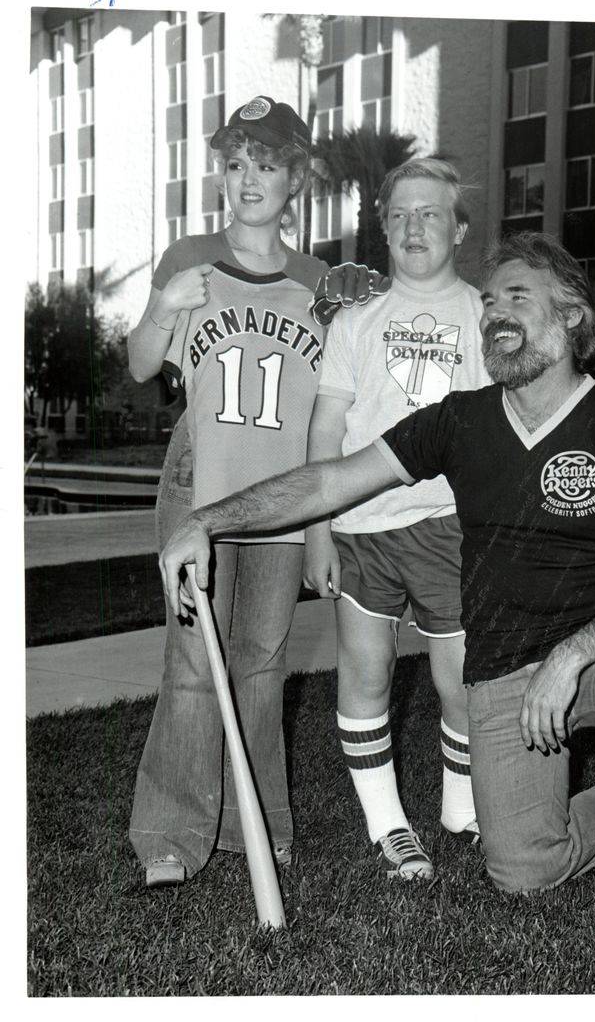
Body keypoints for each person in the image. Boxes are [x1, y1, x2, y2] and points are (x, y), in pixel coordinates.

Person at [158, 231, 595, 966]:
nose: (496, 311)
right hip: (503, 670)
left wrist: (572, 656)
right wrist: (205, 521)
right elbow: (330, 483)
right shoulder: (460, 421)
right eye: (489, 300)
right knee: (524, 871)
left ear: (570, 318)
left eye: (518, 298)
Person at [128, 96, 377, 888]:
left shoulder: (322, 284)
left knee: (261, 666)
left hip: (278, 501)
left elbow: (330, 417)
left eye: (266, 164)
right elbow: (140, 368)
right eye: (235, 163)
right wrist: (163, 309)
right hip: (196, 488)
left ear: (297, 177)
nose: (247, 179)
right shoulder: (188, 258)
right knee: (195, 666)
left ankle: (253, 826)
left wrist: (319, 531)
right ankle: (170, 835)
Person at [303, 158, 490, 879]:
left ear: (459, 228)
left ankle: (460, 806)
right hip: (362, 525)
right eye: (401, 215)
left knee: (462, 678)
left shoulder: (482, 314)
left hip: (448, 522)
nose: (415, 227)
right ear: (384, 226)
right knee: (367, 670)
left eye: (432, 213)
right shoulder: (356, 321)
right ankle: (387, 825)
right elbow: (326, 429)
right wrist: (318, 526)